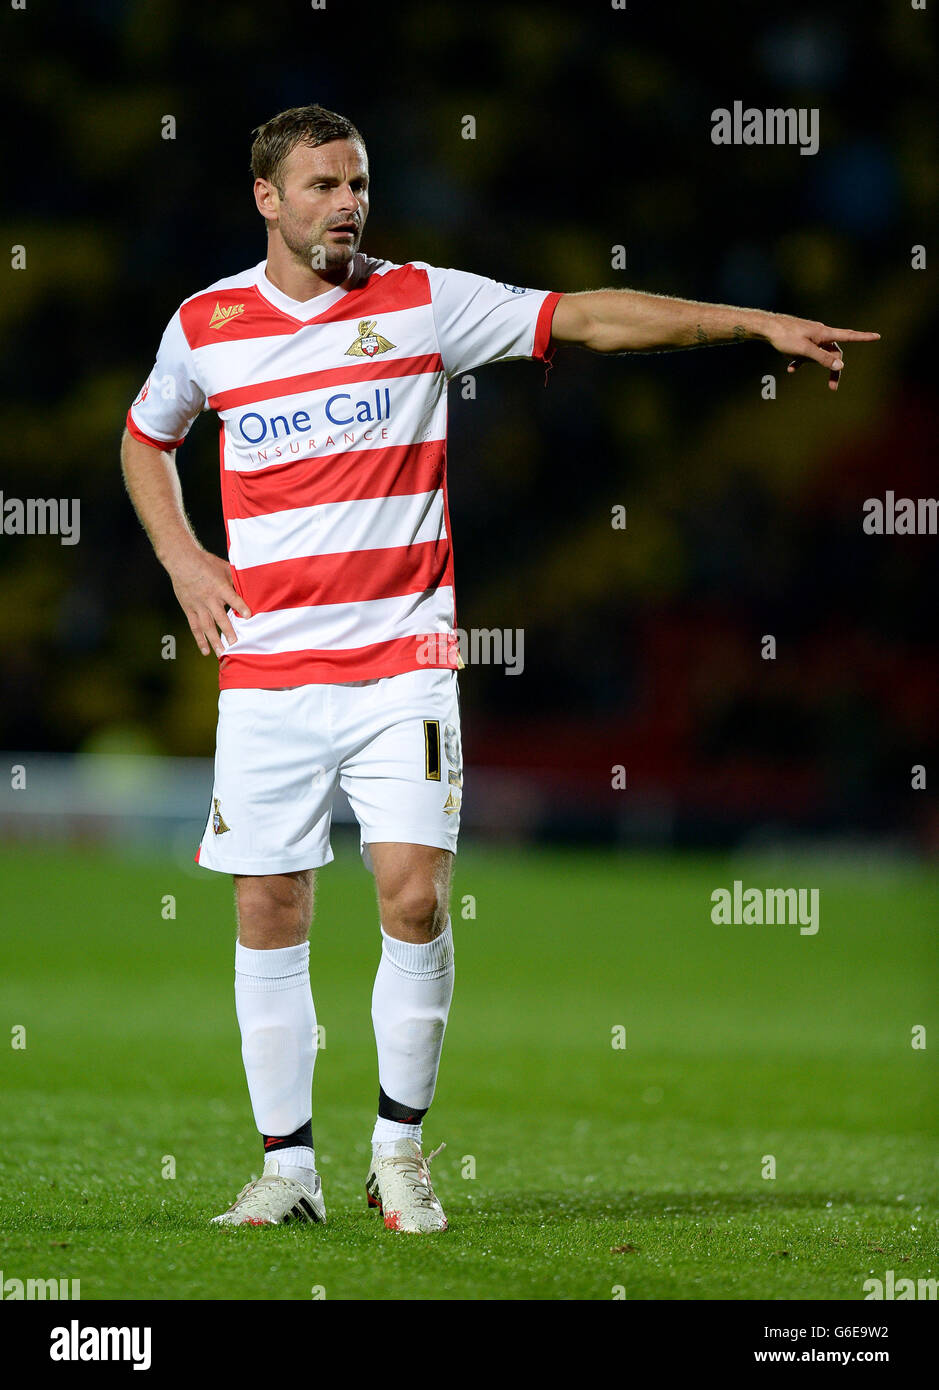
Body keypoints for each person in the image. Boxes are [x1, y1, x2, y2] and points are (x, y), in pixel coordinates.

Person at [120, 103, 879, 1234]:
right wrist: (184, 558)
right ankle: (287, 1171)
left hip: (403, 667)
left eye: (361, 182)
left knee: (414, 895)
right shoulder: (206, 323)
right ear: (268, 200)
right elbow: (145, 439)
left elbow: (589, 319)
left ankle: (399, 1152)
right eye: (324, 185)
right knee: (270, 903)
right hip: (271, 668)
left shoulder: (422, 300)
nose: (349, 203)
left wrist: (747, 322)